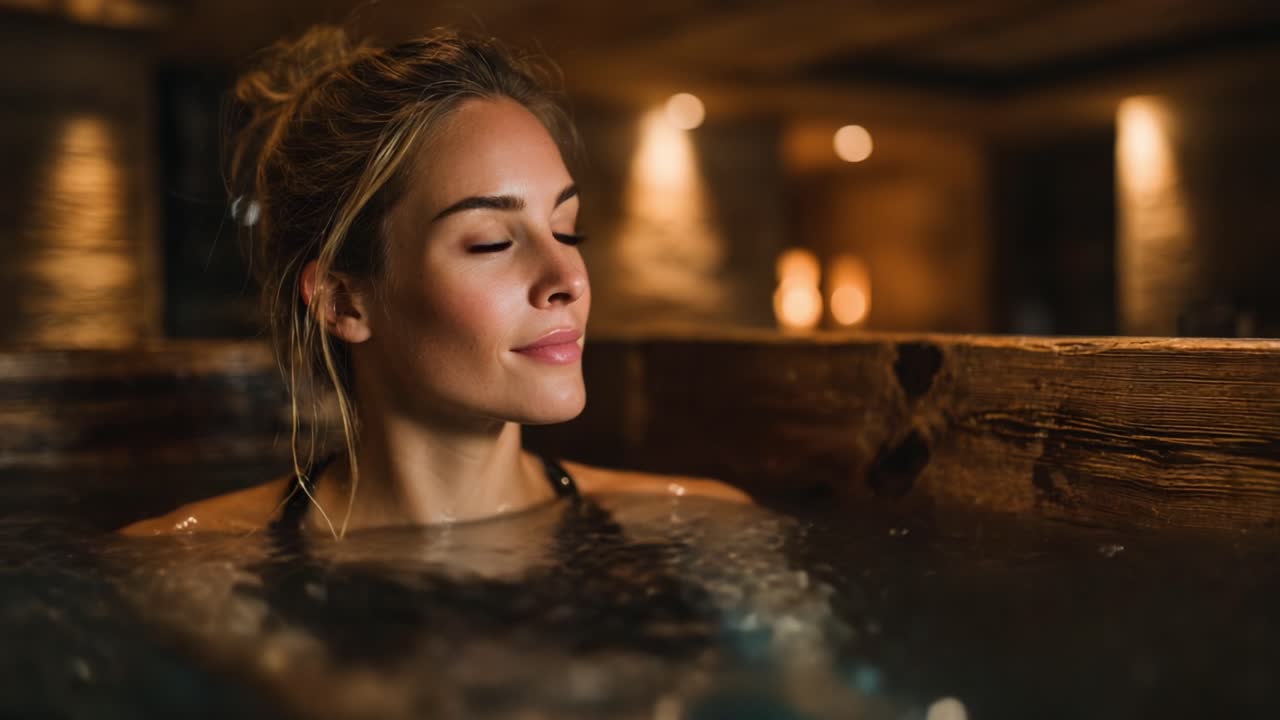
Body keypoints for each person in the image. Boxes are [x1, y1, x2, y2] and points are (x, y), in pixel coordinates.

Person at [121, 26, 748, 538]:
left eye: (567, 230)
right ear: (342, 300)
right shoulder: (188, 564)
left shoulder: (700, 528)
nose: (567, 279)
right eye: (491, 242)